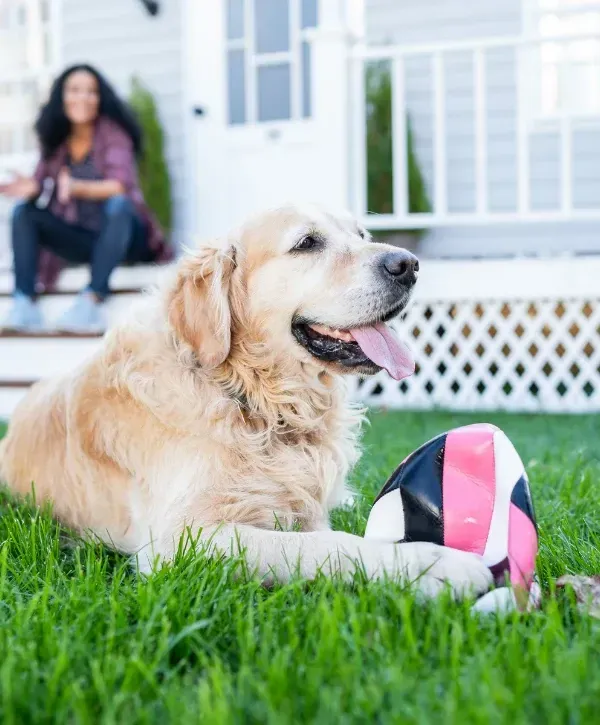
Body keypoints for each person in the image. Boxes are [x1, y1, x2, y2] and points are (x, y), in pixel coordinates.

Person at [0, 64, 172, 332]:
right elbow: (40, 181)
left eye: (91, 92)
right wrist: (31, 189)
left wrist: (78, 187)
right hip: (87, 241)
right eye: (75, 90)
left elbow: (120, 186)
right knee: (23, 213)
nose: (83, 98)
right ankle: (23, 304)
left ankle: (92, 300)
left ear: (100, 99)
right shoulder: (57, 141)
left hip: (127, 237)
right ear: (62, 97)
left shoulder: (113, 133)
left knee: (119, 205)